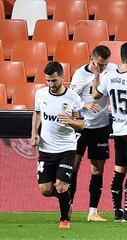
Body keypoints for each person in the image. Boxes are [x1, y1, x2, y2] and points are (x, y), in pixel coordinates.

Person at [92, 42, 127, 223]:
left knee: (119, 171)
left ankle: (118, 211)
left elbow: (95, 95)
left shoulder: (108, 76)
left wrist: (97, 76)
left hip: (118, 130)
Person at [30, 61, 85, 228]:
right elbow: (37, 113)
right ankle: (65, 198)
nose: (51, 84)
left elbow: (81, 124)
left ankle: (64, 219)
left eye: (54, 80)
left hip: (66, 148)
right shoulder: (40, 94)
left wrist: (70, 121)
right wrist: (34, 134)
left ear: (62, 77)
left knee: (61, 186)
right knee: (45, 190)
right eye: (48, 80)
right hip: (46, 149)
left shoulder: (73, 97)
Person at [69, 45, 117, 222]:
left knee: (97, 170)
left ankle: (93, 211)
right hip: (81, 128)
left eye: (105, 64)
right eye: (99, 64)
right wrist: (84, 105)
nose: (102, 68)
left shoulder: (111, 70)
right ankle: (68, 206)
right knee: (73, 166)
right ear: (91, 59)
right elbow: (70, 99)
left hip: (101, 127)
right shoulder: (80, 75)